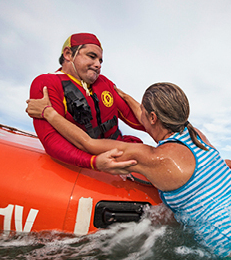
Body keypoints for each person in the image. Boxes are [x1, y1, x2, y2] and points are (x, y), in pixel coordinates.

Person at [26, 82, 231, 258]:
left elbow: (87, 142)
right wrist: (118, 93)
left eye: (144, 113)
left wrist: (48, 113)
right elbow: (146, 115)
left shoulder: (152, 157)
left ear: (152, 118)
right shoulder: (197, 135)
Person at [29, 33, 145, 172]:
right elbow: (51, 139)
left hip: (118, 149)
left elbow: (136, 119)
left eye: (100, 61)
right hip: (85, 156)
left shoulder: (105, 83)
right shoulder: (46, 83)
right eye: (91, 56)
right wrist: (93, 162)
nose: (98, 65)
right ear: (68, 54)